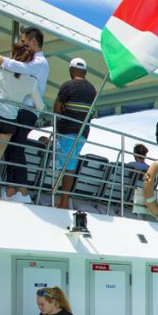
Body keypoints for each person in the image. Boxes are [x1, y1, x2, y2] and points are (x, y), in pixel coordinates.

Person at [0, 27, 49, 202]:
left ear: (33, 42)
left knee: (16, 148)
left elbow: (13, 66)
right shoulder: (35, 63)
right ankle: (11, 190)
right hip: (21, 110)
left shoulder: (39, 62)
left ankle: (22, 191)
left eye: (24, 41)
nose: (22, 45)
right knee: (11, 149)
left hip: (26, 111)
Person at [52, 57, 96, 209]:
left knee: (65, 166)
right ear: (85, 72)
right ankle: (63, 200)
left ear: (71, 70)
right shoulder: (92, 90)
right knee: (70, 163)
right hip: (83, 133)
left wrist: (65, 108)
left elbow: (56, 109)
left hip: (67, 130)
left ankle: (63, 202)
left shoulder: (67, 86)